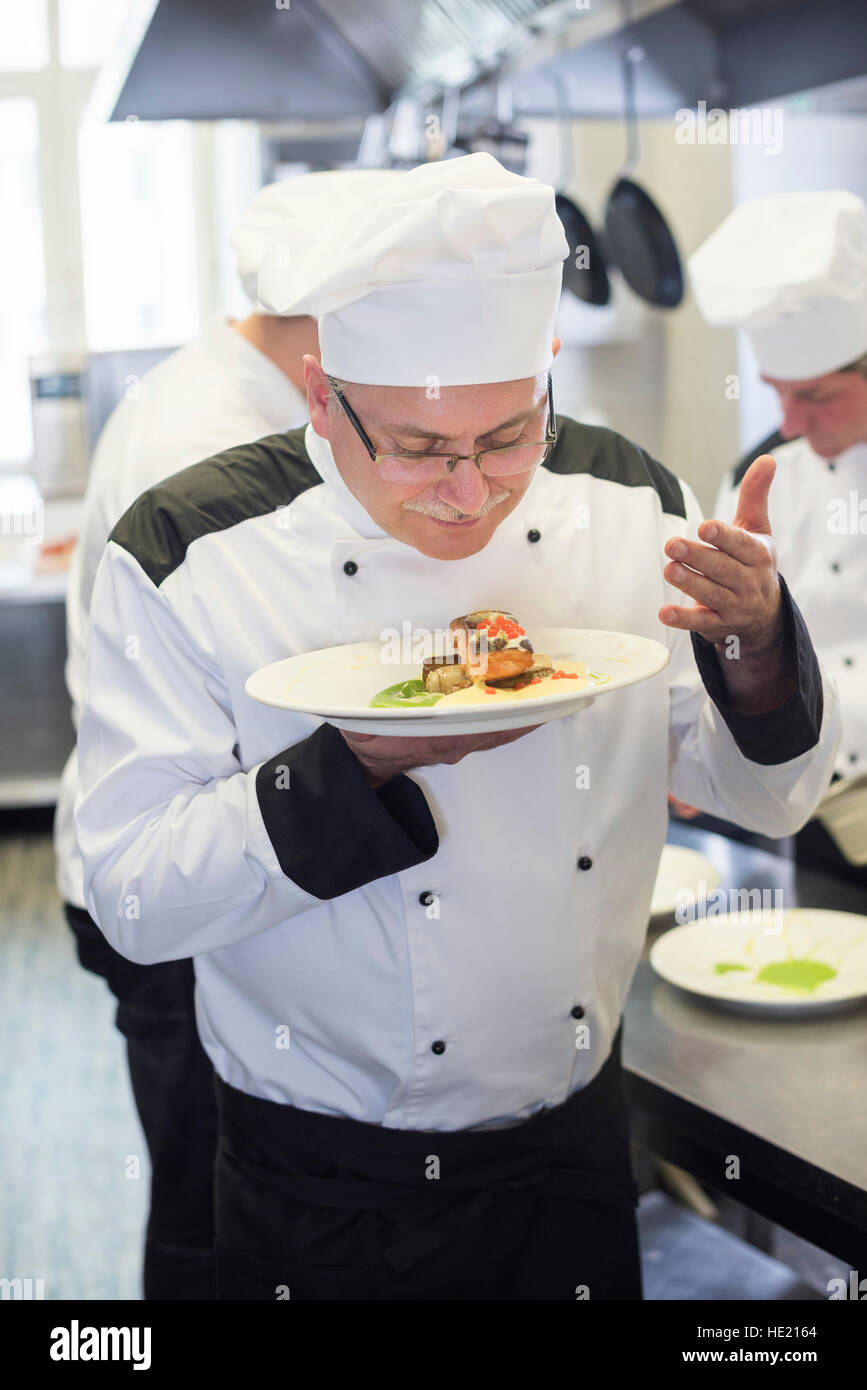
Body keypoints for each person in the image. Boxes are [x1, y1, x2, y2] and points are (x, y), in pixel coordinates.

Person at [74, 153, 840, 1301]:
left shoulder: (629, 496)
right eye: (422, 450)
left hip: (569, 1162)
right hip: (317, 1190)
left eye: (506, 439)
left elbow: (762, 793)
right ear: (324, 397)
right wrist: (350, 771)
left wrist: (760, 644)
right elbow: (133, 895)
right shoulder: (192, 546)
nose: (470, 494)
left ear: (544, 376)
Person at [56, 168, 395, 1299]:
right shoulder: (206, 440)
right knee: (210, 1210)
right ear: (331, 311)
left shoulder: (225, 392)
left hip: (218, 852)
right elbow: (260, 700)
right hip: (177, 875)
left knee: (206, 1188)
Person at [688, 190, 867, 890]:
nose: (788, 422)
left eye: (816, 396)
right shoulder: (763, 471)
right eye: (776, 391)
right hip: (776, 785)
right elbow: (720, 631)